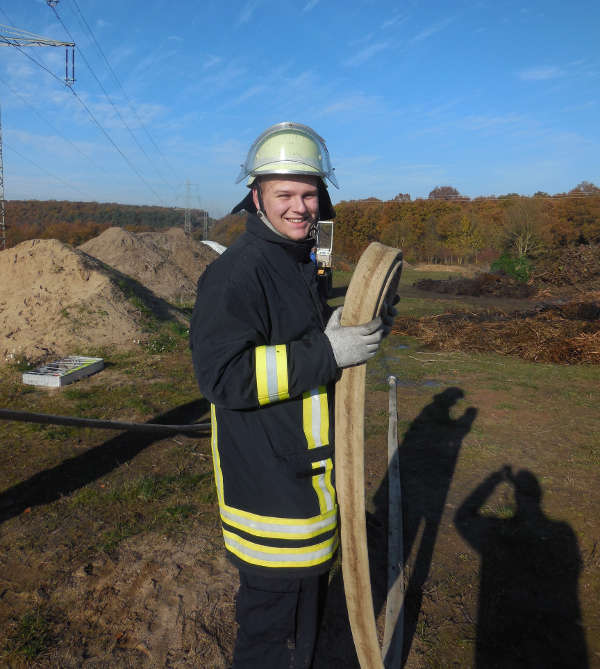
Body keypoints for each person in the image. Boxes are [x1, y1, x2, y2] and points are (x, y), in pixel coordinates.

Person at [190, 122, 391, 668]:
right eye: (285, 194)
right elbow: (223, 377)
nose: (301, 207)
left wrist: (353, 318)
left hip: (308, 487)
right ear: (255, 197)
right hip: (273, 507)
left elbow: (310, 299)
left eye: (310, 193)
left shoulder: (301, 259)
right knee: (273, 647)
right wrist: (327, 355)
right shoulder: (237, 275)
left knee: (306, 633)